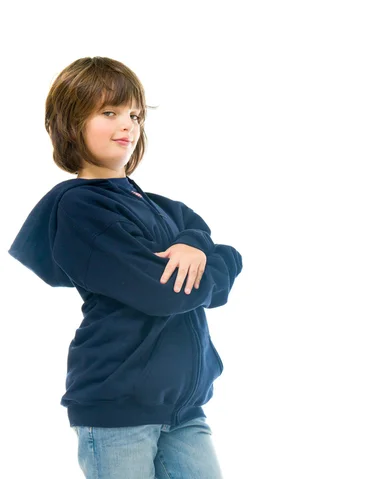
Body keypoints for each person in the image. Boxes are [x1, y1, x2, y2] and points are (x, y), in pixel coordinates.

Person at [7, 57, 243, 478]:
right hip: (118, 411)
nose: (128, 125)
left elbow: (224, 249)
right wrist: (206, 262)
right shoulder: (80, 206)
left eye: (134, 114)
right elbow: (165, 293)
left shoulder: (153, 204)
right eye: (109, 112)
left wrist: (193, 247)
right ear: (70, 122)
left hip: (184, 408)